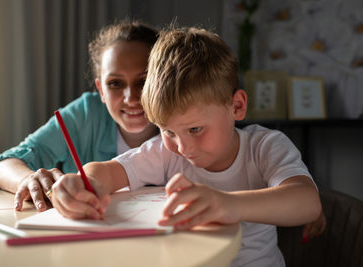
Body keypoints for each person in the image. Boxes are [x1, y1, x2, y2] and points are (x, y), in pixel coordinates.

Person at [50, 26, 322, 266]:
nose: (182, 146)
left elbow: (307, 202)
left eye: (195, 129)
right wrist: (82, 185)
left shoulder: (264, 146)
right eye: (167, 130)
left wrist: (227, 204)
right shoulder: (165, 151)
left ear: (237, 106)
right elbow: (106, 171)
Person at [0, 21, 159, 212]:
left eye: (143, 82)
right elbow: (2, 165)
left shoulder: (185, 122)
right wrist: (27, 180)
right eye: (115, 83)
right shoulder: (86, 114)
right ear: (101, 89)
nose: (131, 98)